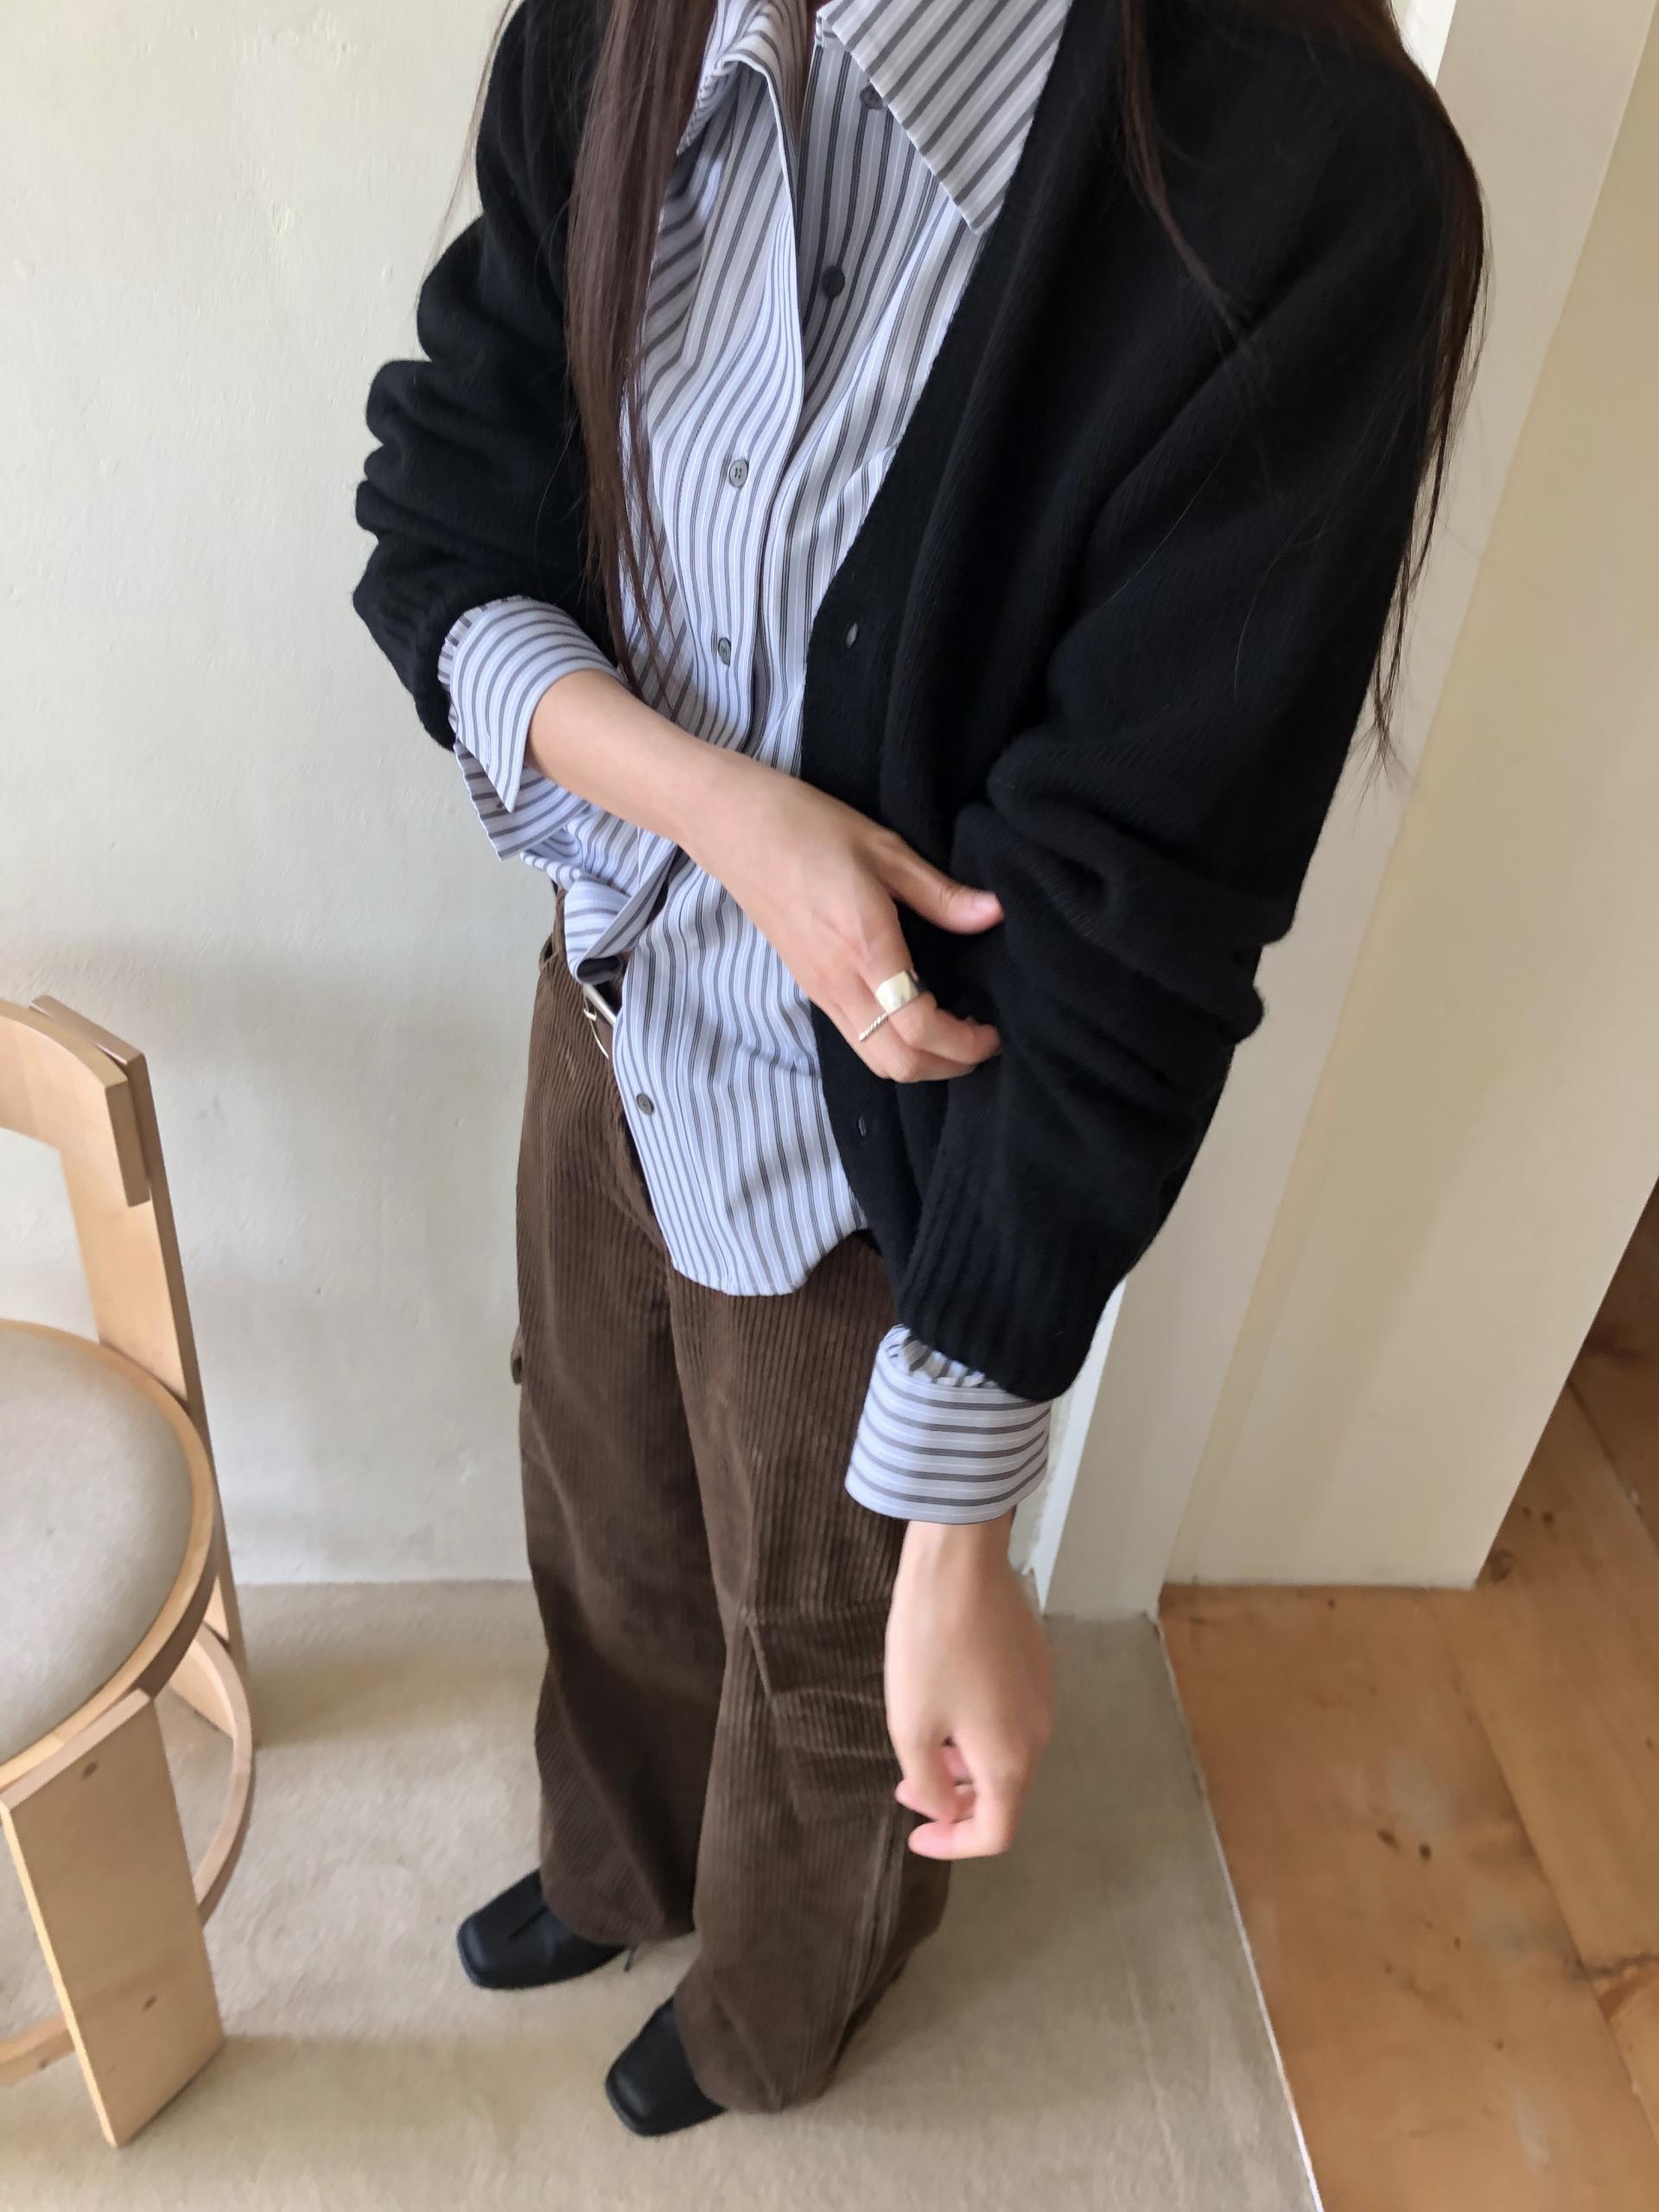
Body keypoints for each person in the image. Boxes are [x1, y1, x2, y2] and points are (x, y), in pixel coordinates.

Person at [352, 0, 1484, 2137]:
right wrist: (726, 816)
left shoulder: (1304, 180)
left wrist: (967, 1517)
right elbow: (443, 517)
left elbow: (1136, 917)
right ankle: (619, 1863)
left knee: (828, 1659)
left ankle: (775, 2012)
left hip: (880, 1165)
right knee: (600, 1495)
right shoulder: (617, 32)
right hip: (608, 1000)